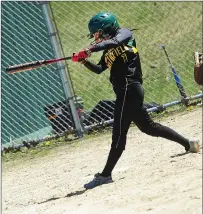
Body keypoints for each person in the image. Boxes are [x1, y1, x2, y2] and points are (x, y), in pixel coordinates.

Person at [71, 12, 200, 189]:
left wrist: (91, 49)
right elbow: (100, 68)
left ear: (107, 28)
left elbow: (116, 41)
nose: (96, 37)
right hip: (127, 92)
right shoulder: (107, 49)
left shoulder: (124, 34)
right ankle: (189, 144)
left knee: (118, 134)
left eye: (97, 33)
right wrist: (84, 61)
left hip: (129, 89)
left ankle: (105, 175)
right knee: (148, 127)